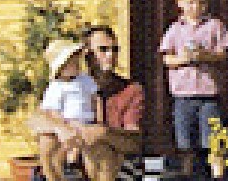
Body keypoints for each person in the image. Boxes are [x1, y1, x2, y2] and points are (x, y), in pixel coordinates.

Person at [27, 27, 145, 181]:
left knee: (98, 147)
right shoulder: (65, 83)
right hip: (70, 152)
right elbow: (36, 119)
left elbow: (135, 142)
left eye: (115, 50)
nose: (111, 55)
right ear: (87, 54)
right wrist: (60, 128)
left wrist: (104, 133)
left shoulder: (131, 90)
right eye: (103, 50)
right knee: (47, 140)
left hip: (112, 162)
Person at [159, 0, 228, 179]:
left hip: (208, 95)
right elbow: (167, 58)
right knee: (185, 143)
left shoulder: (214, 26)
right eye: (192, 2)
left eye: (202, 3)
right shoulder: (175, 29)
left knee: (212, 141)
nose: (197, 7)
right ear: (180, 3)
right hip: (183, 96)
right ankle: (187, 174)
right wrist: (183, 58)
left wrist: (205, 56)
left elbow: (224, 54)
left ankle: (217, 174)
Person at [37, 40, 99, 181]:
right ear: (61, 67)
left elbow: (96, 99)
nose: (76, 64)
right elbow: (51, 110)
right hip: (67, 122)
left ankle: (74, 161)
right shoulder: (56, 86)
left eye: (77, 60)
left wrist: (98, 120)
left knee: (81, 138)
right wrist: (62, 125)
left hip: (87, 121)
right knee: (64, 143)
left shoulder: (85, 79)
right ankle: (69, 164)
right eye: (71, 62)